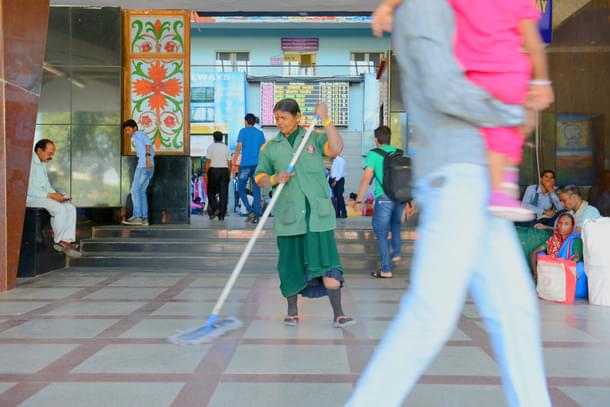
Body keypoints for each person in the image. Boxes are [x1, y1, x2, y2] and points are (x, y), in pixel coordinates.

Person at [346, 1, 551, 406]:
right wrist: (511, 110)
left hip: (476, 176)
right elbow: (445, 88)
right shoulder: (425, 7)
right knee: (431, 315)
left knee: (515, 312)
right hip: (457, 176)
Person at [447, 0, 553, 221]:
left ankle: (502, 182)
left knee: (500, 129)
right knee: (516, 124)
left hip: (474, 75)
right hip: (510, 74)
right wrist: (541, 81)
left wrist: (389, 7)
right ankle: (501, 185)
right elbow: (533, 44)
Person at [254, 99, 354, 328]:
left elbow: (336, 148)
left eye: (284, 118)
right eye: (277, 118)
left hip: (317, 217)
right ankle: (291, 312)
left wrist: (325, 117)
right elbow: (259, 177)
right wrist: (273, 179)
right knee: (290, 265)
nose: (279, 122)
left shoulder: (314, 138)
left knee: (328, 263)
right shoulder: (270, 148)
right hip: (289, 217)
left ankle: (338, 314)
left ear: (298, 117)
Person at [355, 126, 405, 278]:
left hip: (384, 198)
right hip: (400, 197)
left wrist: (358, 200)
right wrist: (409, 202)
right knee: (395, 224)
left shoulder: (373, 154)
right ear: (389, 138)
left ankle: (386, 269)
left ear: (376, 139)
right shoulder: (398, 152)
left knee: (382, 234)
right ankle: (396, 252)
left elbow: (366, 177)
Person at [26, 139, 81, 258]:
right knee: (58, 208)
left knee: (70, 208)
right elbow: (29, 190)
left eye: (52, 154)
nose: (51, 157)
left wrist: (59, 196)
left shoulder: (42, 163)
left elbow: (46, 185)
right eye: (49, 153)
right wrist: (51, 196)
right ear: (40, 150)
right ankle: (59, 241)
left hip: (44, 197)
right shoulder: (28, 162)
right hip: (30, 198)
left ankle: (67, 241)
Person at [529, 212, 582, 280]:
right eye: (560, 223)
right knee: (540, 254)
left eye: (566, 224)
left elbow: (576, 258)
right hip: (552, 269)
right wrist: (535, 273)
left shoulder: (576, 239)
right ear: (556, 224)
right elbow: (534, 252)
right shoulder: (553, 240)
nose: (562, 226)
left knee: (580, 266)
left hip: (566, 269)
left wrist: (562, 266)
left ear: (572, 226)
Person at [122, 119, 154, 226]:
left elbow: (148, 144)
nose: (127, 133)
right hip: (147, 167)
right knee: (141, 191)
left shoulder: (138, 134)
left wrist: (148, 159)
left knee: (135, 190)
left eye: (128, 129)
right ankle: (145, 219)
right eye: (125, 131)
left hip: (143, 166)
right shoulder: (137, 137)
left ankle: (138, 216)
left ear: (134, 128)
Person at [236, 113, 266, 224]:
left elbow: (238, 149)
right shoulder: (260, 133)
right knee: (257, 191)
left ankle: (249, 210)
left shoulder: (242, 131)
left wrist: (234, 162)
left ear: (246, 121)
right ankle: (256, 217)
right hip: (257, 166)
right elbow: (263, 150)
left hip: (245, 166)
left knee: (240, 188)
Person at [205, 131, 232, 221]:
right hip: (224, 170)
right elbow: (229, 163)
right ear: (222, 138)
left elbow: (208, 162)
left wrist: (206, 173)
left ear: (214, 138)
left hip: (213, 170)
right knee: (223, 194)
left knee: (210, 192)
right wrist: (229, 173)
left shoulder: (211, 147)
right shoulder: (226, 148)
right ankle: (222, 215)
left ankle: (215, 208)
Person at [329, 154, 347, 218]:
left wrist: (335, 181)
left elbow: (341, 172)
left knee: (340, 196)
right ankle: (337, 213)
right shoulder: (333, 160)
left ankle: (344, 213)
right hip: (333, 179)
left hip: (339, 180)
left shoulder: (341, 160)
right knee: (336, 197)